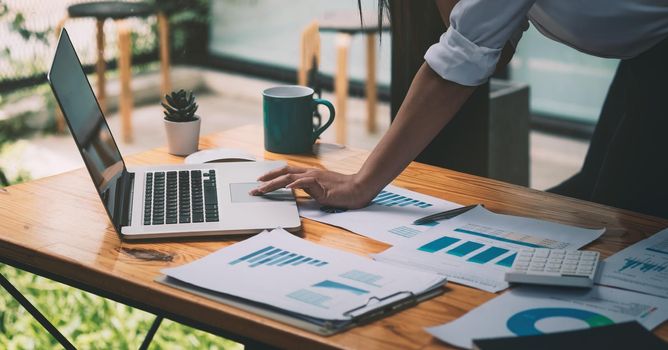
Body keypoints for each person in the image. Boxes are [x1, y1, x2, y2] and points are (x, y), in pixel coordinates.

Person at [251, 0, 668, 218]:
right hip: (646, 57)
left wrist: (361, 183)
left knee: (630, 221)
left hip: (656, 54)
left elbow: (458, 63)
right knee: (598, 200)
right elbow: (491, 44)